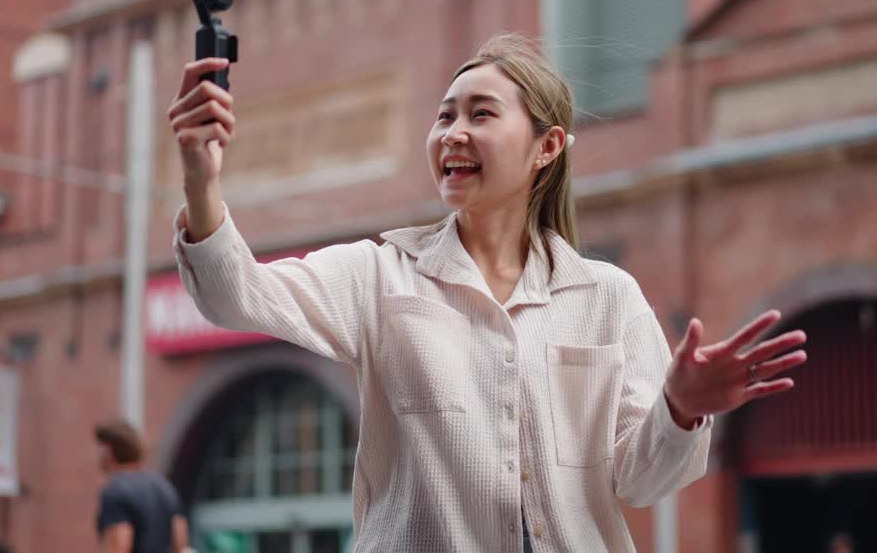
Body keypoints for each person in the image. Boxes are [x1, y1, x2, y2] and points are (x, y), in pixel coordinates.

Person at [168, 34, 808, 551]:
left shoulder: (608, 297)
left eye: (480, 114)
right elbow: (236, 294)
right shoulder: (379, 276)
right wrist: (201, 180)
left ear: (546, 148)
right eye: (444, 115)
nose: (452, 132)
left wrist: (679, 407)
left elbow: (641, 482)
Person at [93, 420, 191, 553]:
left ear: (108, 450)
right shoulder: (163, 486)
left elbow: (119, 547)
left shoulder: (115, 491)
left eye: (99, 448)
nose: (96, 454)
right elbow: (180, 544)